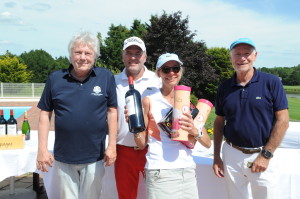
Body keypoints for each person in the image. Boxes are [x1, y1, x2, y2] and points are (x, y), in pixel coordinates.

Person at [36, 31, 118, 199]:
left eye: (88, 53)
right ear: (70, 55)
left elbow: (112, 112)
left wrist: (112, 145)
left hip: (95, 155)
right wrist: (42, 149)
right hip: (64, 156)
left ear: (95, 56)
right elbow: (45, 114)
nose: (82, 57)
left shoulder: (105, 77)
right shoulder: (56, 78)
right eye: (78, 52)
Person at [213, 38, 289, 199]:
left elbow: (283, 121)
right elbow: (219, 122)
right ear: (231, 58)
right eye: (237, 54)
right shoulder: (224, 87)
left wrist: (266, 155)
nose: (242, 58)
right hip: (232, 154)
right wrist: (216, 157)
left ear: (255, 56)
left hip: (261, 154)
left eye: (247, 53)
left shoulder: (271, 82)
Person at [133, 53, 211, 199]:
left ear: (180, 71)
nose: (171, 73)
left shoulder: (187, 103)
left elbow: (206, 143)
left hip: (187, 172)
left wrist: (195, 130)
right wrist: (135, 126)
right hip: (160, 172)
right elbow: (141, 143)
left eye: (175, 68)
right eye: (166, 69)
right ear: (158, 73)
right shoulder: (149, 100)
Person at [114, 36, 161, 199]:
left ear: (145, 57)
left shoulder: (157, 81)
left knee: (156, 195)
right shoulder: (113, 82)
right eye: (129, 53)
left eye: (137, 53)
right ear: (123, 56)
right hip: (123, 151)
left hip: (152, 150)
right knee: (126, 196)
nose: (133, 57)